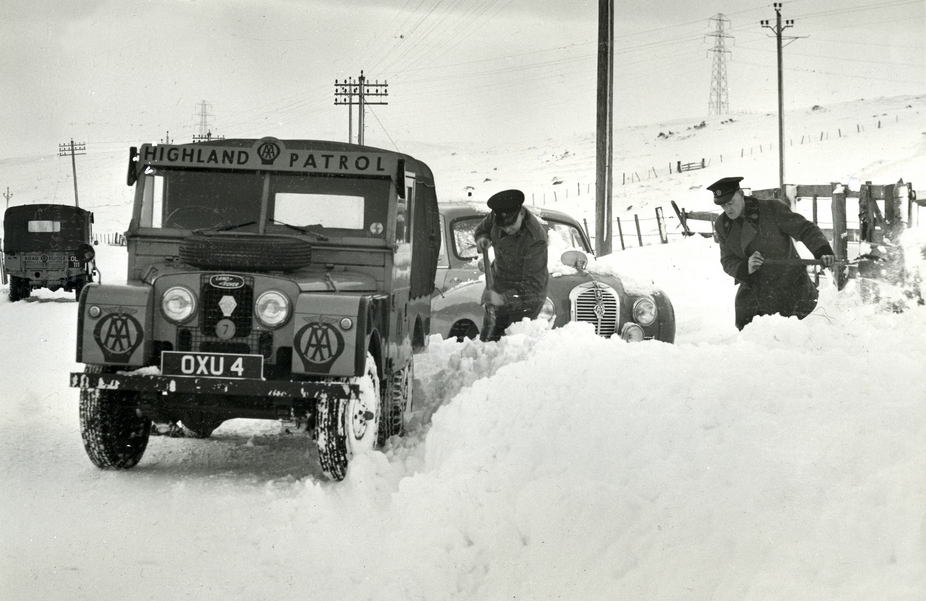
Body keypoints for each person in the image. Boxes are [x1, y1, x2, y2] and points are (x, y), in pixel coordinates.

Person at [709, 176, 836, 330]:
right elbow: (728, 260)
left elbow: (805, 229)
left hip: (791, 289)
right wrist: (745, 267)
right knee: (754, 341)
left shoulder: (771, 209)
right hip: (755, 294)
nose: (728, 209)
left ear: (741, 194)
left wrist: (822, 251)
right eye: (723, 206)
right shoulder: (723, 225)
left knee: (798, 338)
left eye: (730, 203)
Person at [474, 189, 549, 341]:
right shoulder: (497, 215)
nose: (507, 229)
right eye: (503, 226)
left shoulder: (535, 239)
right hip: (498, 284)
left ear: (521, 213)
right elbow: (483, 228)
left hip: (524, 301)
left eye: (511, 225)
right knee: (488, 341)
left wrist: (502, 299)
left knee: (511, 346)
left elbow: (534, 288)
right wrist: (482, 238)